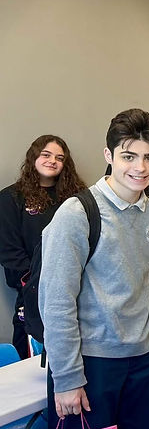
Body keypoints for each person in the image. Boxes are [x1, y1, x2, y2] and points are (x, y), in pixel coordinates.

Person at [38, 108, 149, 429]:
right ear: (109, 156)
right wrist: (66, 378)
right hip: (91, 365)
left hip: (147, 359)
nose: (140, 168)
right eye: (129, 156)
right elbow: (56, 301)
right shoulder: (77, 212)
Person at [0, 135, 87, 359]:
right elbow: (9, 250)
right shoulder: (10, 197)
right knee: (30, 368)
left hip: (75, 293)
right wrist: (36, 283)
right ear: (33, 157)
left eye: (59, 157)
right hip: (32, 293)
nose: (52, 161)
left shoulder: (76, 199)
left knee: (73, 359)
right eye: (46, 155)